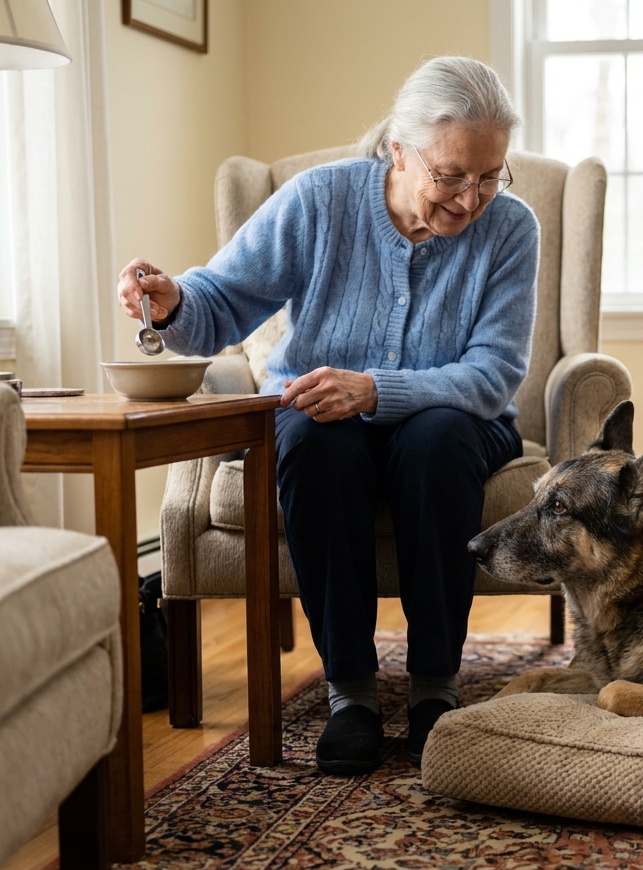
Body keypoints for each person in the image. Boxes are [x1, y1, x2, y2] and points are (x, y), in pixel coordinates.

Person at [116, 57, 538, 775]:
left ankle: (436, 689)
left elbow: (493, 374)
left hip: (462, 418)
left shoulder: (511, 229)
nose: (472, 199)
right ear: (398, 151)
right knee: (315, 437)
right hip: (323, 417)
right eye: (452, 176)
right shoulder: (320, 202)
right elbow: (220, 300)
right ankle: (353, 696)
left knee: (435, 440)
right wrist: (172, 302)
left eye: (490, 175)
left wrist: (377, 390)